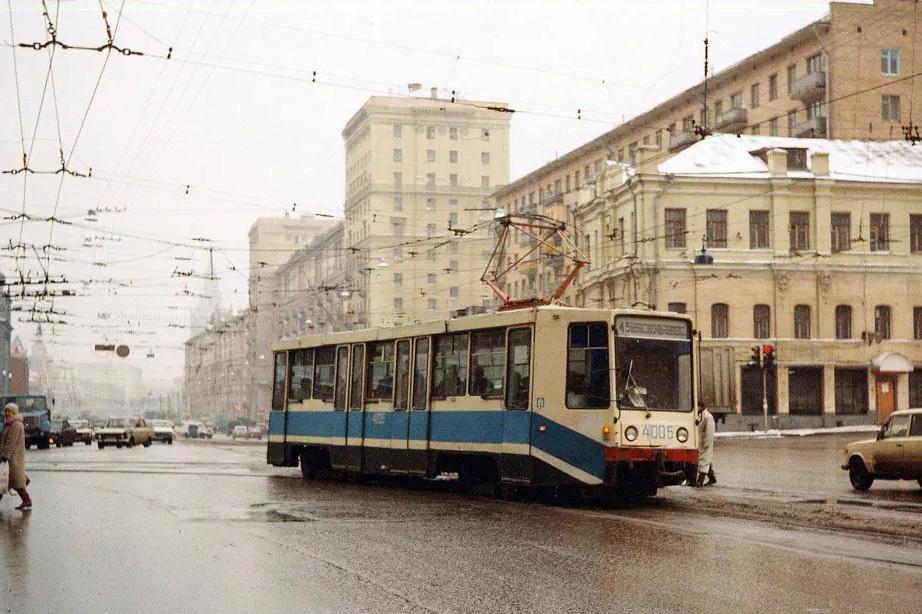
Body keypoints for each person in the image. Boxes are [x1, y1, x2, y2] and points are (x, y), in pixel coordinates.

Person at [0, 403, 32, 510]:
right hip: (9, 456)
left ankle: (26, 499)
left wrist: (5, 455)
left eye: (9, 411)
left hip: (13, 457)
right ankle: (26, 498)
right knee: (7, 480)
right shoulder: (9, 424)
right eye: (6, 411)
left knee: (11, 481)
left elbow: (11, 442)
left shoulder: (16, 425)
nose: (7, 413)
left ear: (14, 412)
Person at [695, 402, 716, 487]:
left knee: (704, 460)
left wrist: (707, 443)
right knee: (705, 460)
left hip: (705, 443)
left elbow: (710, 431)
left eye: (698, 406)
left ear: (702, 407)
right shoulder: (698, 415)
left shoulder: (708, 416)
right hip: (699, 443)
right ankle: (712, 478)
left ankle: (700, 481)